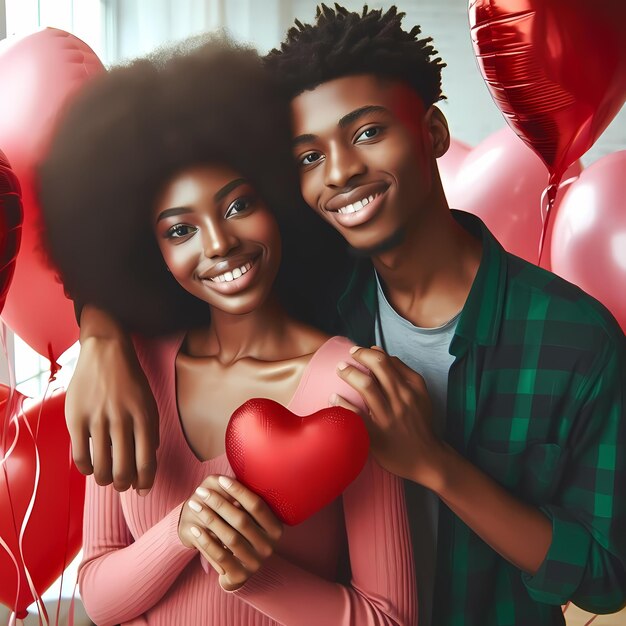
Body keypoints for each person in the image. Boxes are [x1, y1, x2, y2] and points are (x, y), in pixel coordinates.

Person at [61, 5, 626, 626]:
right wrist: (102, 335)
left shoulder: (574, 339)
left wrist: (436, 465)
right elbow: (170, 253)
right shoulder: (322, 292)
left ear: (434, 132)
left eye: (366, 132)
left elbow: (606, 577)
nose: (340, 171)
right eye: (307, 157)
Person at [38, 38, 417, 626]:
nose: (219, 245)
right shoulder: (133, 370)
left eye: (238, 207)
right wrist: (185, 529)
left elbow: (391, 619)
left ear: (281, 199)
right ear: (148, 251)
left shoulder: (351, 385)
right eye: (179, 231)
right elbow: (99, 593)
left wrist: (253, 574)